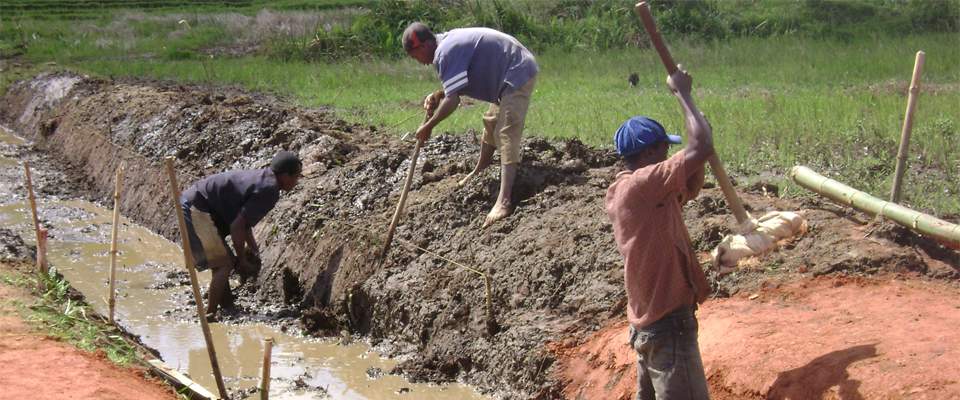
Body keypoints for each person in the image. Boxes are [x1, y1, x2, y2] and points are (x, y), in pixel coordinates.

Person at [604, 67, 714, 400]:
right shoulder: (641, 186)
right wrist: (682, 94)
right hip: (668, 326)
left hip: (651, 326)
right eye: (665, 150)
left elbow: (692, 180)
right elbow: (701, 148)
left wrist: (701, 131)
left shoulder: (638, 193)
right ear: (650, 155)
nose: (668, 155)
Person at [402, 22, 539, 227]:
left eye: (415, 56)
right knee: (491, 122)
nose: (418, 62)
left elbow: (453, 100)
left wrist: (429, 126)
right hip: (505, 73)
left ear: (423, 46)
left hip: (517, 70)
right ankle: (480, 169)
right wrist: (437, 95)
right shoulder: (444, 44)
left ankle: (504, 201)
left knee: (506, 131)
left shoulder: (444, 52)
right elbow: (453, 88)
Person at [180, 151, 302, 320]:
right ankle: (209, 315)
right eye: (296, 177)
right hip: (196, 208)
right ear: (285, 175)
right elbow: (237, 226)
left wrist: (253, 249)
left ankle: (227, 305)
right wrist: (241, 260)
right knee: (225, 264)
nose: (297, 182)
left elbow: (245, 224)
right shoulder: (270, 190)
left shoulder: (265, 179)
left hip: (196, 203)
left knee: (222, 259)